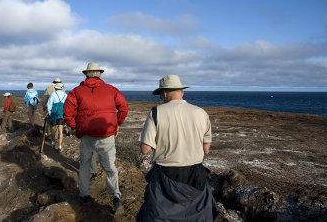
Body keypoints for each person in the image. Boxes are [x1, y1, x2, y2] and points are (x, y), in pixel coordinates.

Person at [137, 75, 218, 221]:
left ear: (165, 93)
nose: (161, 97)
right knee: (198, 216)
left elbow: (145, 149)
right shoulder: (201, 112)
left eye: (161, 94)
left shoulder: (156, 112)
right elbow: (206, 149)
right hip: (195, 175)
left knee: (158, 215)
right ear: (182, 92)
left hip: (165, 176)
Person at [63, 62, 128, 214]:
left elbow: (67, 113)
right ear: (100, 74)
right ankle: (116, 198)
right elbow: (123, 107)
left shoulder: (76, 91)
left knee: (85, 165)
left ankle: (84, 196)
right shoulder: (111, 90)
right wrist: (117, 124)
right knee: (110, 167)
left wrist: (75, 127)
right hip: (107, 135)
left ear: (86, 75)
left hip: (86, 135)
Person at [47, 82, 67, 152]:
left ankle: (53, 142)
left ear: (55, 88)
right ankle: (60, 146)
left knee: (53, 129)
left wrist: (49, 112)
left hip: (53, 114)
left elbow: (49, 104)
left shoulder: (53, 94)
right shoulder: (65, 95)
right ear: (61, 88)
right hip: (61, 114)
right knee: (61, 131)